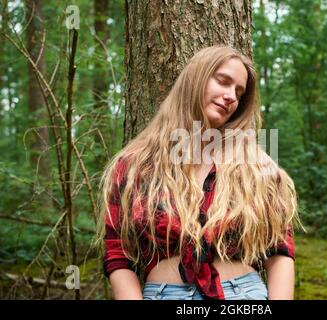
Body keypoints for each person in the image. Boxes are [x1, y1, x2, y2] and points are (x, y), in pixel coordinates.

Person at [97, 45, 301, 300]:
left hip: (243, 295)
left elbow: (280, 250)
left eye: (238, 92)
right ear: (195, 79)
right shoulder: (137, 164)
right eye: (223, 82)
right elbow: (117, 254)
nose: (231, 97)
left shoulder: (256, 166)